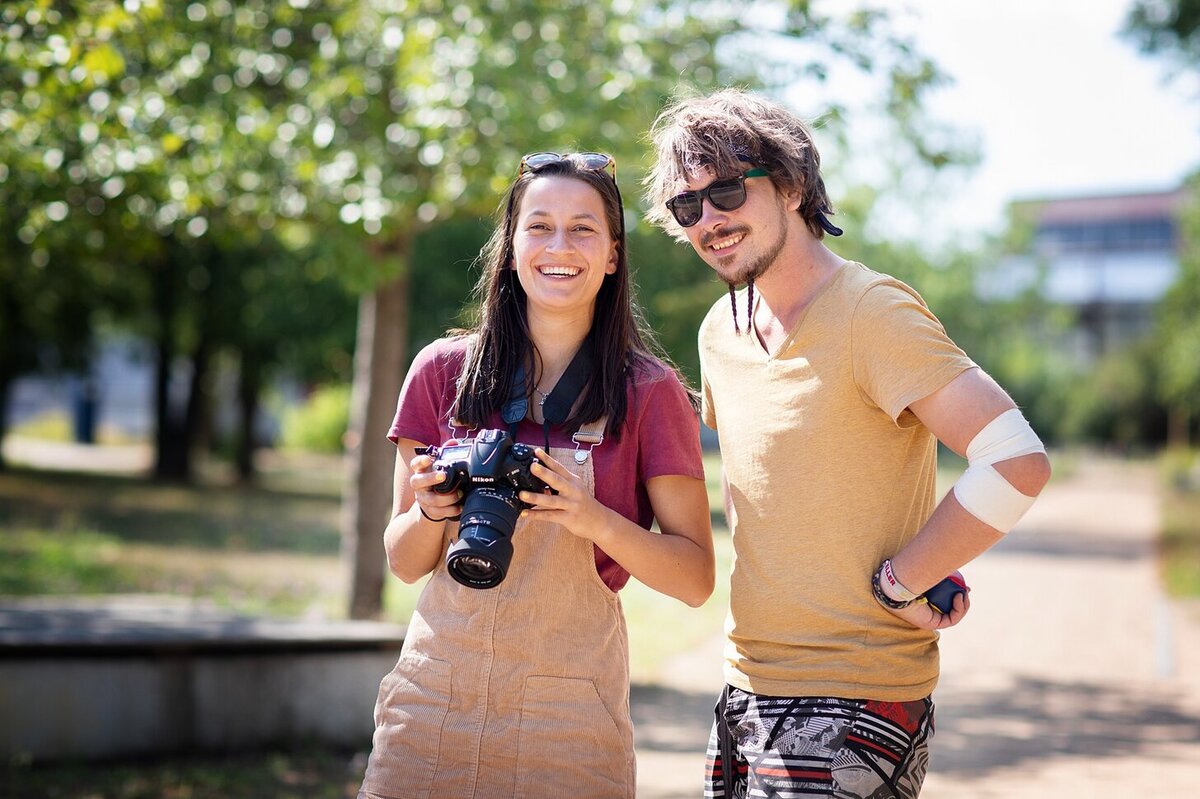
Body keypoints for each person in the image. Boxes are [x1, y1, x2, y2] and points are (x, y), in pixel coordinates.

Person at [643, 89, 1052, 798]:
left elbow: (1015, 461)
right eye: (688, 207)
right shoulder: (719, 332)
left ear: (794, 185)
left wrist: (905, 578)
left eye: (729, 191)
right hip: (744, 691)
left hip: (856, 699)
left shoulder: (873, 311)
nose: (708, 219)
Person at [357, 151, 716, 799]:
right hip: (432, 700)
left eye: (583, 229)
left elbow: (694, 578)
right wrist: (432, 511)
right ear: (512, 244)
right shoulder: (442, 371)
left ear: (612, 253)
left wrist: (591, 515)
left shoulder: (649, 392)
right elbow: (403, 561)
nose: (559, 245)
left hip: (570, 721)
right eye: (539, 225)